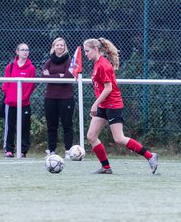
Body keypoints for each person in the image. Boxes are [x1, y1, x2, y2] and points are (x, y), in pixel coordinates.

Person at [83, 38, 158, 174]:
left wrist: (95, 104)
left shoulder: (103, 65)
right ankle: (106, 167)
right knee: (91, 136)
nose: (86, 54)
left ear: (95, 49)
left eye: (87, 51)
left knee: (119, 138)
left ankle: (150, 156)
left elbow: (108, 88)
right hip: (104, 105)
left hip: (112, 104)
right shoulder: (97, 64)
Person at [41, 38, 75, 159]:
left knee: (67, 125)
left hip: (66, 97)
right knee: (51, 126)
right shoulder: (49, 61)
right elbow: (42, 76)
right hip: (50, 97)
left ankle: (68, 151)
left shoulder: (69, 61)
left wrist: (51, 76)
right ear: (53, 47)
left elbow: (68, 76)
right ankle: (51, 151)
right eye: (57, 45)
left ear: (65, 47)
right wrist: (58, 76)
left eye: (62, 45)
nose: (59, 47)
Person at [2, 43, 36, 158]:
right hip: (11, 103)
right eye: (22, 50)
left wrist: (23, 98)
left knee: (24, 127)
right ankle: (9, 150)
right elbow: (5, 85)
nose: (25, 52)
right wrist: (10, 97)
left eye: (27, 50)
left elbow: (31, 86)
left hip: (24, 103)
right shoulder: (10, 66)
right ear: (17, 52)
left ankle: (23, 150)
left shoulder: (31, 68)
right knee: (10, 127)